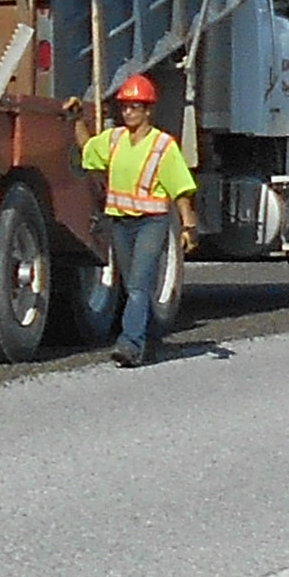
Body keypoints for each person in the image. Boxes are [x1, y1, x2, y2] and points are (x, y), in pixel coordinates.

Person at [79, 69, 196, 365]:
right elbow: (88, 150)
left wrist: (188, 225)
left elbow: (180, 188)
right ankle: (150, 337)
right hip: (120, 222)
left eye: (135, 107)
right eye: (125, 107)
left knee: (139, 283)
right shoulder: (115, 139)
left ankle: (129, 345)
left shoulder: (162, 145)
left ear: (148, 110)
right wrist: (76, 120)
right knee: (132, 284)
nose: (128, 112)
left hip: (151, 223)